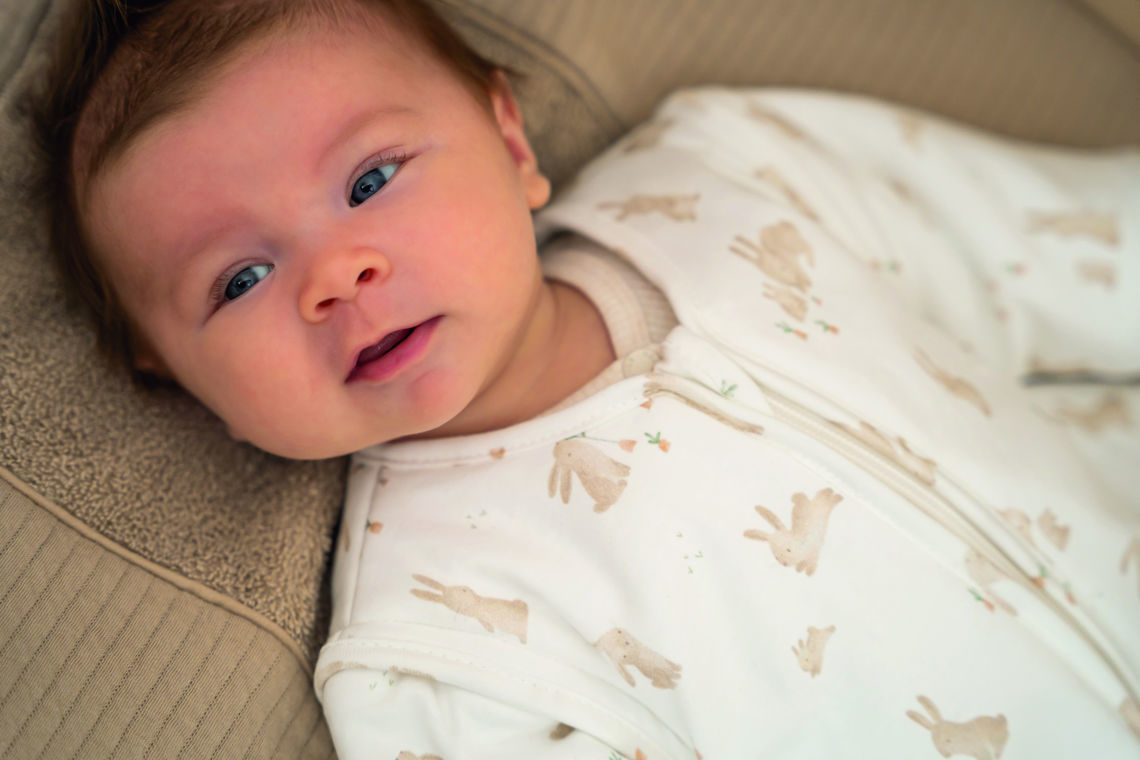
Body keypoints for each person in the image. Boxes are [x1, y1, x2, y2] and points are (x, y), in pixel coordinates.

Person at [36, 0, 1140, 757]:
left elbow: (1052, 245)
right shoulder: (440, 656)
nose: (336, 274)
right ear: (176, 379)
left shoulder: (727, 175)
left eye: (371, 179)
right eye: (239, 279)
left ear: (511, 142)